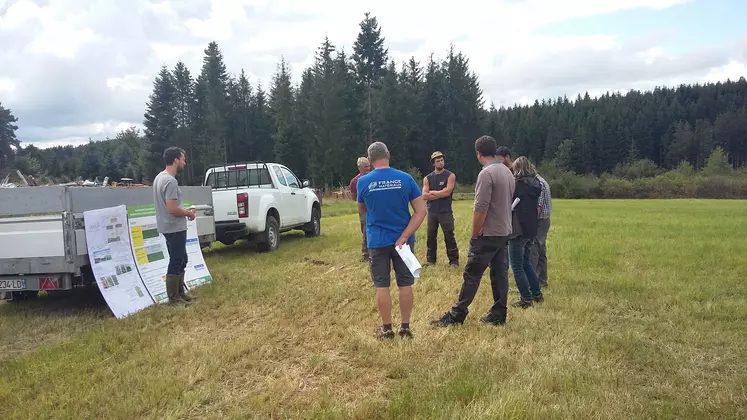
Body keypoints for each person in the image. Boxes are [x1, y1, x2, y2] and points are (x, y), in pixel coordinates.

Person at [431, 135, 515, 327]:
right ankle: (499, 313)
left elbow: (481, 208)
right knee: (499, 274)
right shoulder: (507, 171)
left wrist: (474, 234)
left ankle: (457, 315)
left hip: (488, 233)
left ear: (478, 153)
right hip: (504, 231)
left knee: (472, 274)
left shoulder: (486, 174)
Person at [357, 141, 426, 339]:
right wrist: (405, 236)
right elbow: (421, 211)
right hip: (403, 242)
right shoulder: (405, 179)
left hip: (377, 241)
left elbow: (362, 210)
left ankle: (387, 328)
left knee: (382, 285)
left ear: (369, 160)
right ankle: (405, 327)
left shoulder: (363, 182)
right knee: (405, 284)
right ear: (388, 154)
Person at [153, 147, 196, 306]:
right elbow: (172, 208)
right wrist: (189, 213)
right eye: (183, 159)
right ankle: (174, 297)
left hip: (167, 226)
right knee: (177, 260)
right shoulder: (170, 181)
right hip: (174, 227)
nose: (185, 162)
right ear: (176, 160)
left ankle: (180, 293)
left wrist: (184, 211)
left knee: (181, 258)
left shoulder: (159, 177)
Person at [509, 156, 543, 308]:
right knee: (526, 262)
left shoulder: (518, 185)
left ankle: (525, 298)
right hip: (531, 228)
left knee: (516, 265)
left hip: (518, 229)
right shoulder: (536, 184)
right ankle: (536, 293)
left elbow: (510, 204)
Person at [422, 151, 459, 266]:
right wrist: (439, 193)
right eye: (438, 161)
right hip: (432, 211)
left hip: (445, 211)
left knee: (449, 235)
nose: (440, 162)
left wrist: (432, 193)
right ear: (433, 163)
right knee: (431, 236)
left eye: (442, 160)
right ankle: (430, 260)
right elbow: (424, 195)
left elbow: (447, 192)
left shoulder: (450, 175)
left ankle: (454, 261)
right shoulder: (428, 178)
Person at [532, 168, 552, 287]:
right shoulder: (543, 181)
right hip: (544, 220)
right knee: (541, 250)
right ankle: (542, 280)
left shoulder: (538, 184)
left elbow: (538, 207)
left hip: (539, 221)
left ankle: (532, 283)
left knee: (534, 251)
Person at [349, 157, 371, 262]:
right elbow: (354, 197)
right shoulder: (354, 182)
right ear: (360, 168)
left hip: (375, 207)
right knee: (366, 230)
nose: (368, 168)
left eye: (369, 166)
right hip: (364, 209)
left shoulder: (373, 177)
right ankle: (366, 254)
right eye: (365, 167)